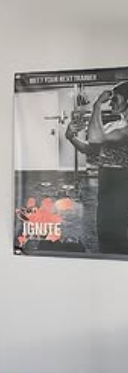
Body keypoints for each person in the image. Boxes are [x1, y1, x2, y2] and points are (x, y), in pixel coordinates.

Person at [68, 82, 128, 254]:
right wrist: (70, 136)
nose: (111, 103)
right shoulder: (113, 126)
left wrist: (97, 105)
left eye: (115, 99)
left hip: (123, 181)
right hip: (107, 180)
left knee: (120, 232)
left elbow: (95, 138)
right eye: (110, 99)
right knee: (105, 229)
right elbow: (90, 149)